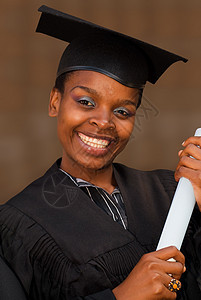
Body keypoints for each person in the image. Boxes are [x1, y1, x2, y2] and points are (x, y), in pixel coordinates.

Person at [0, 5, 200, 300]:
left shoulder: (174, 192)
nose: (103, 122)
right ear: (55, 102)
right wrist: (120, 297)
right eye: (85, 102)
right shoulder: (15, 224)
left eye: (122, 111)